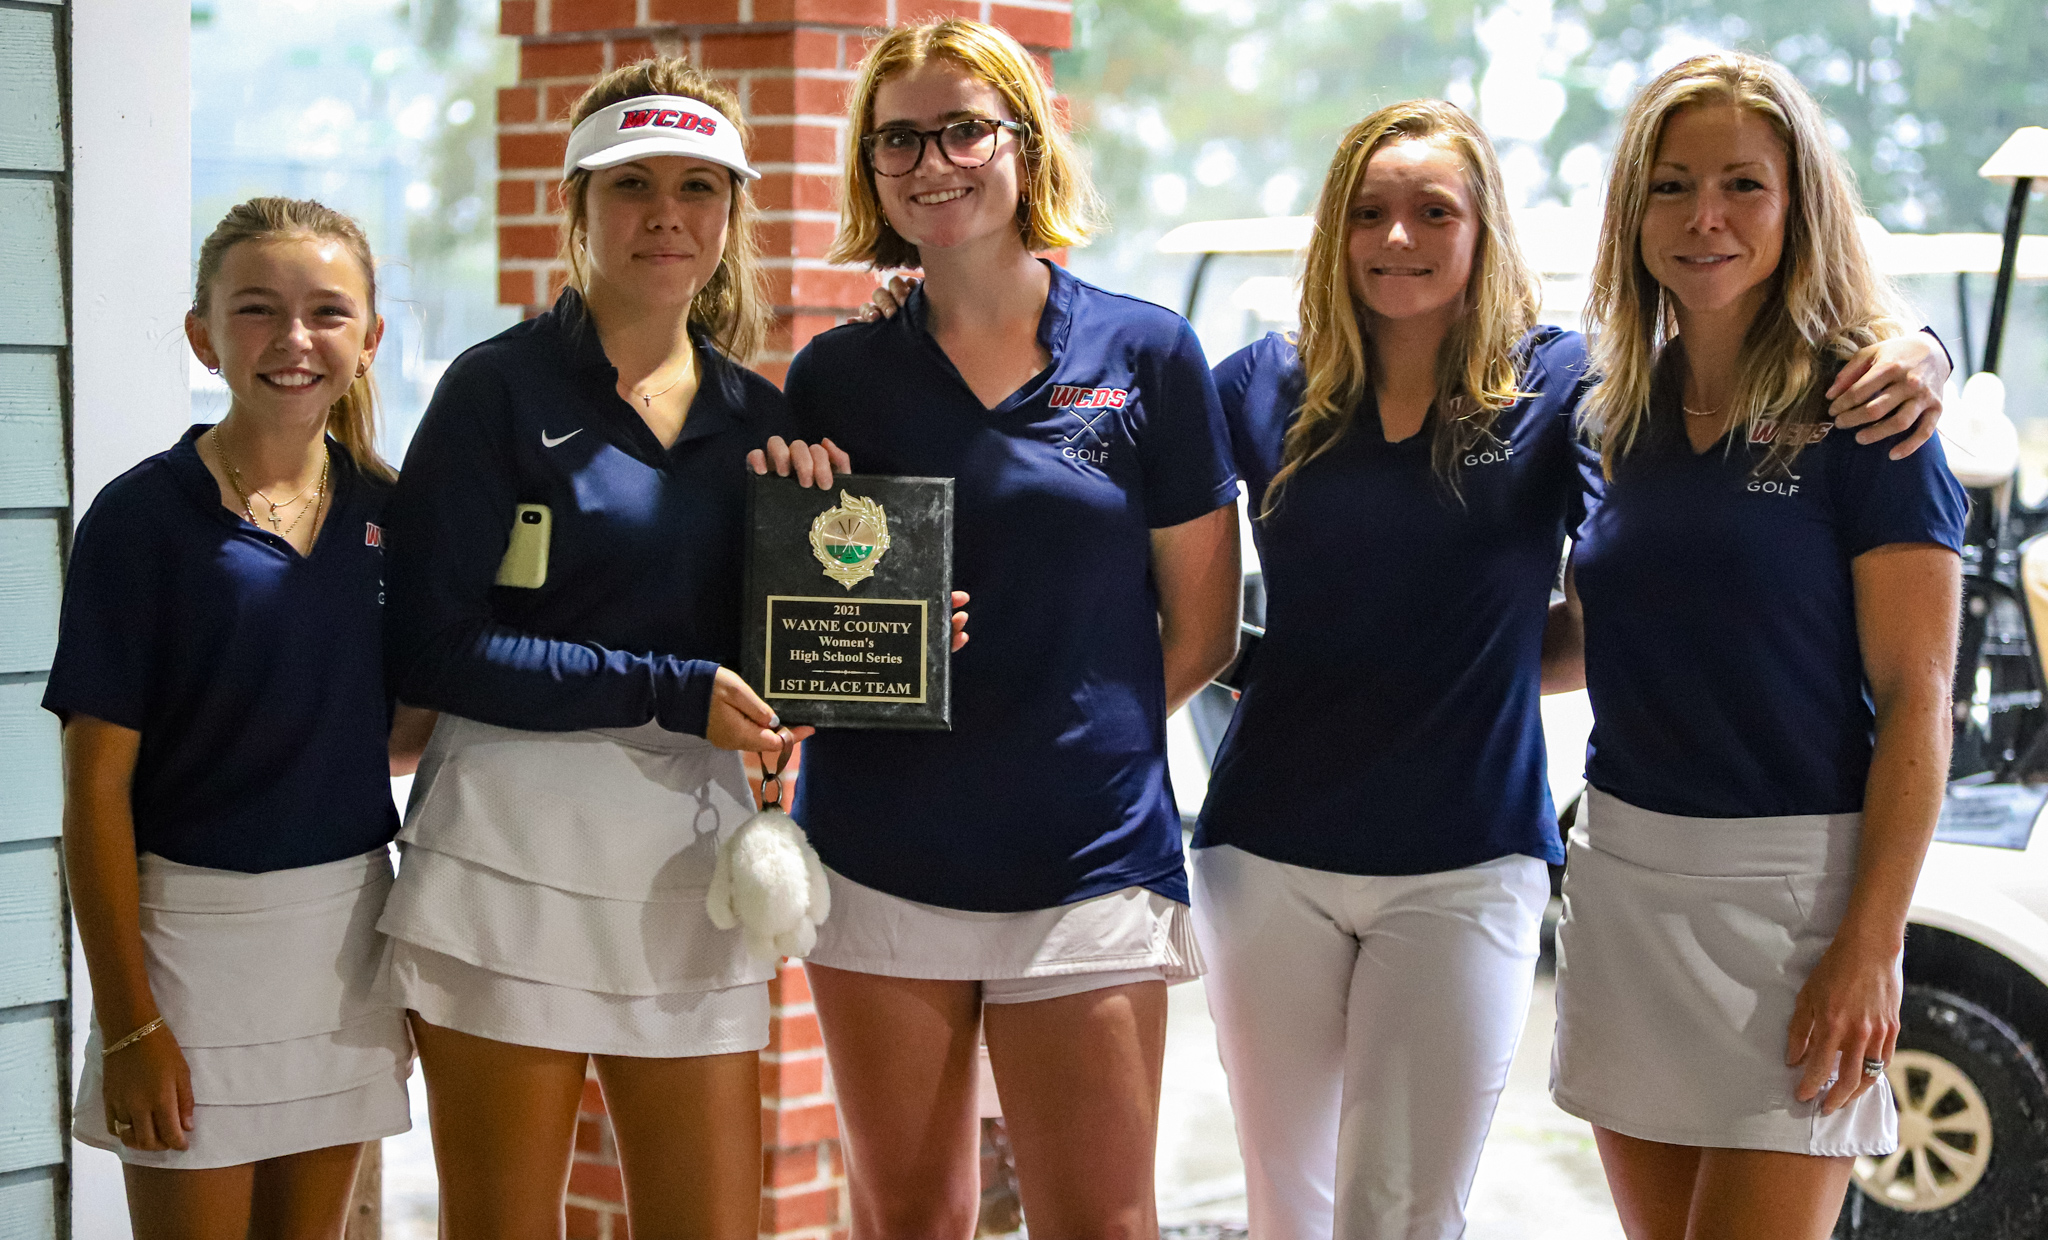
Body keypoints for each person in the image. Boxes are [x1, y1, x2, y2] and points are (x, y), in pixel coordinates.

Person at [1178, 97, 1949, 1240]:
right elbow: (1126, 492)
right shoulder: (1272, 383)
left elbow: (1907, 693)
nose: (1398, 237)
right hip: (1521, 865)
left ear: (1486, 227)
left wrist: (1919, 345)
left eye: (1432, 210)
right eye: (1369, 212)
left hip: (1530, 861)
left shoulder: (1569, 385)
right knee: (1284, 1207)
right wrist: (923, 297)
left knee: (1399, 1211)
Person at [783, 18, 1243, 1238]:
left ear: (1024, 146)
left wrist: (1076, 737)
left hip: (1084, 858)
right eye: (898, 140)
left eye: (963, 129)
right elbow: (805, 613)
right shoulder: (834, 375)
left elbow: (1200, 629)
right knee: (907, 1218)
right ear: (869, 169)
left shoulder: (1145, 353)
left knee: (1099, 1218)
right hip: (879, 849)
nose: (932, 161)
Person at [374, 60, 844, 1239]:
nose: (665, 215)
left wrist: (867, 624)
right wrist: (672, 690)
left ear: (730, 213)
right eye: (631, 184)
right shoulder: (493, 391)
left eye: (697, 185)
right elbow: (431, 650)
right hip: (506, 852)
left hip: (691, 864)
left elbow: (766, 661)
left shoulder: (763, 421)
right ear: (575, 207)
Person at [1550, 52, 1966, 1240]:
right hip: (1626, 879)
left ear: (1798, 207)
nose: (1704, 218)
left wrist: (1870, 943)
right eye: (1671, 186)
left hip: (1799, 902)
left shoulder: (1870, 413)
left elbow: (1917, 697)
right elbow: (1603, 634)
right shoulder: (1605, 404)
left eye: (1742, 184)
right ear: (1632, 212)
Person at [48, 197, 430, 1238]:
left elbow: (398, 731)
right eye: (257, 310)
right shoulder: (140, 522)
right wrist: (130, 1025)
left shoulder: (399, 518)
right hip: (185, 948)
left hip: (348, 934)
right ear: (203, 334)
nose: (293, 340)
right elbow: (93, 792)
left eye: (326, 312)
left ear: (369, 340)